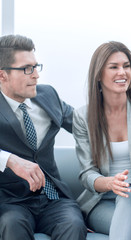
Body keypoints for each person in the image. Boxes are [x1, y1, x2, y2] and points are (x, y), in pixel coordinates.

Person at [73, 41, 131, 240]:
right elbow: (87, 172)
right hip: (102, 200)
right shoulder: (83, 117)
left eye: (126, 66)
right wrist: (109, 183)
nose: (122, 72)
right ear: (99, 74)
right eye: (114, 67)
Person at [0, 35, 87, 239]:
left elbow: (86, 126)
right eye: (27, 69)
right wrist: (10, 160)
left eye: (36, 66)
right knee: (11, 225)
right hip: (11, 202)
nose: (36, 75)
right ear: (2, 75)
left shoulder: (48, 95)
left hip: (53, 198)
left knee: (74, 224)